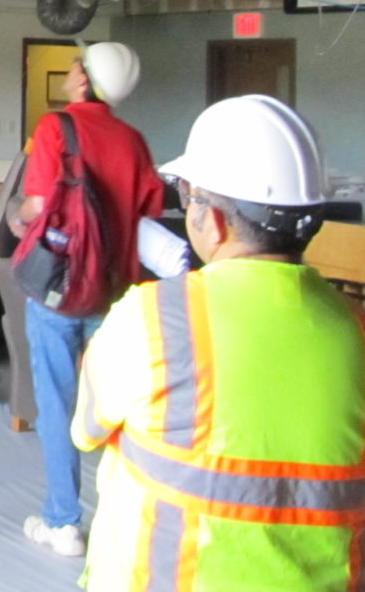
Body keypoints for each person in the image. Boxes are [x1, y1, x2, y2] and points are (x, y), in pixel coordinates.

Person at [74, 96, 365, 591]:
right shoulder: (355, 328)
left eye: (189, 196)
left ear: (212, 219)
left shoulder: (152, 320)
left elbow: (87, 429)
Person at [9, 40, 163, 558]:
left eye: (77, 65)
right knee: (121, 406)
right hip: (116, 292)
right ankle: (127, 519)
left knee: (57, 401)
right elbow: (148, 219)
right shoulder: (136, 141)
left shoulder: (57, 129)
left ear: (84, 79)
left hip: (59, 288)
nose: (73, 71)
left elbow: (37, 204)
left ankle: (63, 521)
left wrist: (15, 218)